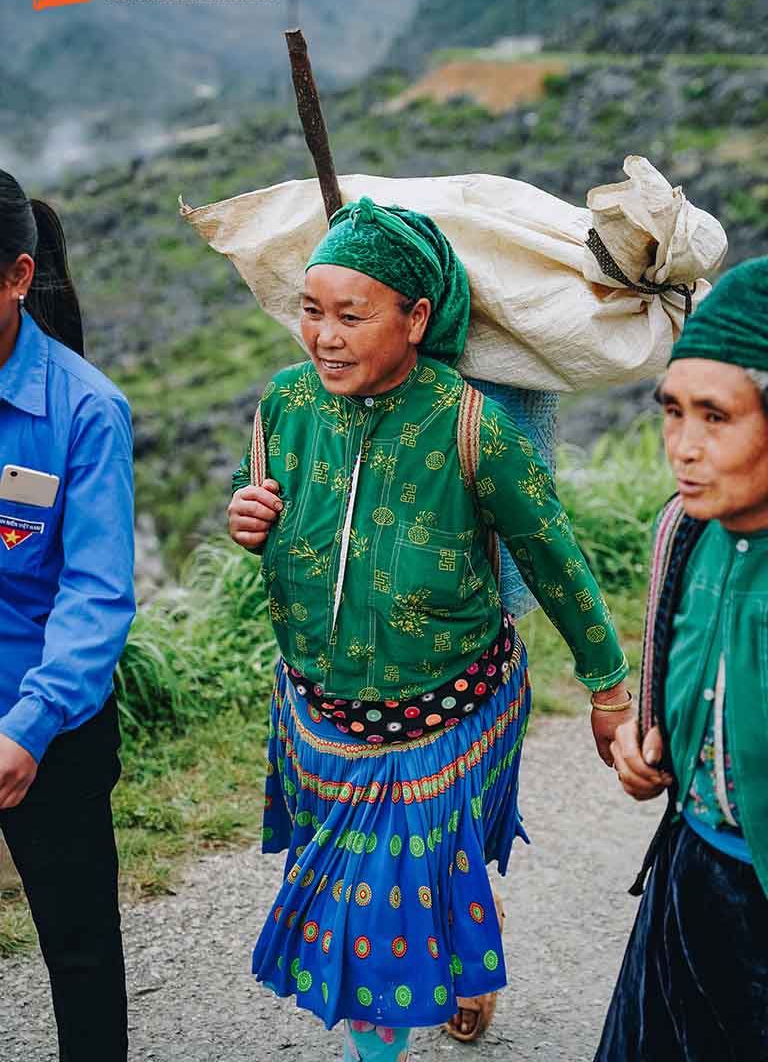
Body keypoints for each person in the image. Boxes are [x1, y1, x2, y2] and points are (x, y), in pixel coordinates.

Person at [227, 197, 631, 1059]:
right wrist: (246, 511)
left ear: (415, 319)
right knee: (408, 891)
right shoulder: (286, 404)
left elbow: (555, 561)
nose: (325, 337)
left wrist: (609, 687)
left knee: (378, 927)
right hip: (320, 717)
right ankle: (467, 964)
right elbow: (253, 488)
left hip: (444, 718)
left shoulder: (472, 427)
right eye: (311, 310)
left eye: (350, 315)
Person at [596, 257, 768, 1062]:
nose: (684, 448)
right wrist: (645, 751)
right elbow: (672, 709)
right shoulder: (685, 532)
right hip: (687, 882)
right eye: (672, 412)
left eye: (717, 417)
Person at [0, 170, 136, 1061]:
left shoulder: (85, 409)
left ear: (16, 277)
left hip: (49, 731)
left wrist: (31, 726)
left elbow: (96, 595)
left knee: (79, 953)